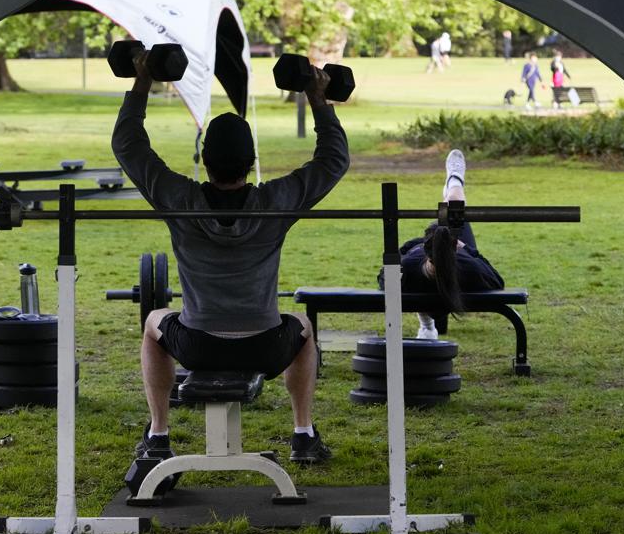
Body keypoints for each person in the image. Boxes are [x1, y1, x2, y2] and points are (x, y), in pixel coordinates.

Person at [111, 51, 349, 464]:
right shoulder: (275, 203)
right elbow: (333, 160)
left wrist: (143, 79)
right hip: (266, 346)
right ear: (251, 162)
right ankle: (303, 434)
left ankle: (158, 434)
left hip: (197, 344)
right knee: (303, 327)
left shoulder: (180, 200)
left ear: (206, 161)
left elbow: (128, 144)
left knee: (153, 323)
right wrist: (317, 97)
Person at [378, 150, 504, 340]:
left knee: (450, 212)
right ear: (454, 246)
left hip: (426, 266)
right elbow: (496, 280)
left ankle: (427, 326)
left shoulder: (410, 264)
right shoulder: (468, 267)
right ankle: (454, 180)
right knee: (455, 205)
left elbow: (384, 276)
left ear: (426, 249)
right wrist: (466, 249)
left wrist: (414, 247)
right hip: (449, 259)